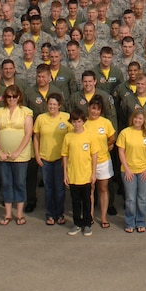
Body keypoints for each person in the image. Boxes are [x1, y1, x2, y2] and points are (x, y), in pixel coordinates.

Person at [0, 85, 34, 225]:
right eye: (9, 96)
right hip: (1, 155)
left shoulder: (26, 112)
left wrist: (17, 152)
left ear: (19, 97)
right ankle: (8, 214)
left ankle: (20, 214)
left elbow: (28, 133)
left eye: (14, 96)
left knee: (20, 183)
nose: (11, 99)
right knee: (6, 183)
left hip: (20, 155)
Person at [33, 93, 70, 226]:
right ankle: (50, 214)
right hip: (45, 159)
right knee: (48, 188)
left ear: (59, 105)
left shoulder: (66, 117)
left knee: (60, 188)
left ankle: (60, 214)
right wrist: (37, 155)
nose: (52, 106)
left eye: (55, 104)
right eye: (50, 104)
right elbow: (36, 137)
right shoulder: (41, 118)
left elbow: (71, 137)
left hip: (61, 159)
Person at [62, 107, 98, 236]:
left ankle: (87, 224)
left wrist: (93, 173)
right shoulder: (68, 136)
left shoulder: (90, 136)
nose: (76, 124)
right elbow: (65, 155)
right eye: (74, 121)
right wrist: (65, 174)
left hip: (86, 176)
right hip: (73, 175)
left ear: (83, 121)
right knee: (75, 202)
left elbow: (94, 155)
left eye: (79, 121)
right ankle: (77, 223)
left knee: (87, 201)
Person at [116, 106, 146, 233]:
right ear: (132, 118)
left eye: (140, 118)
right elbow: (121, 151)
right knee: (130, 198)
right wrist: (126, 169)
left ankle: (141, 221)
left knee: (142, 198)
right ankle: (130, 222)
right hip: (128, 171)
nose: (138, 120)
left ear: (144, 120)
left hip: (143, 171)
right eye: (136, 118)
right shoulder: (125, 133)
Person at [83, 97, 117, 228]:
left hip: (103, 161)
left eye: (98, 109)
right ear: (88, 108)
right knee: (89, 190)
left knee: (103, 189)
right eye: (93, 108)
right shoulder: (84, 123)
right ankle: (89, 215)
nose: (95, 111)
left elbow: (111, 138)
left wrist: (104, 146)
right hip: (87, 162)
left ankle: (103, 217)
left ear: (101, 111)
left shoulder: (106, 123)